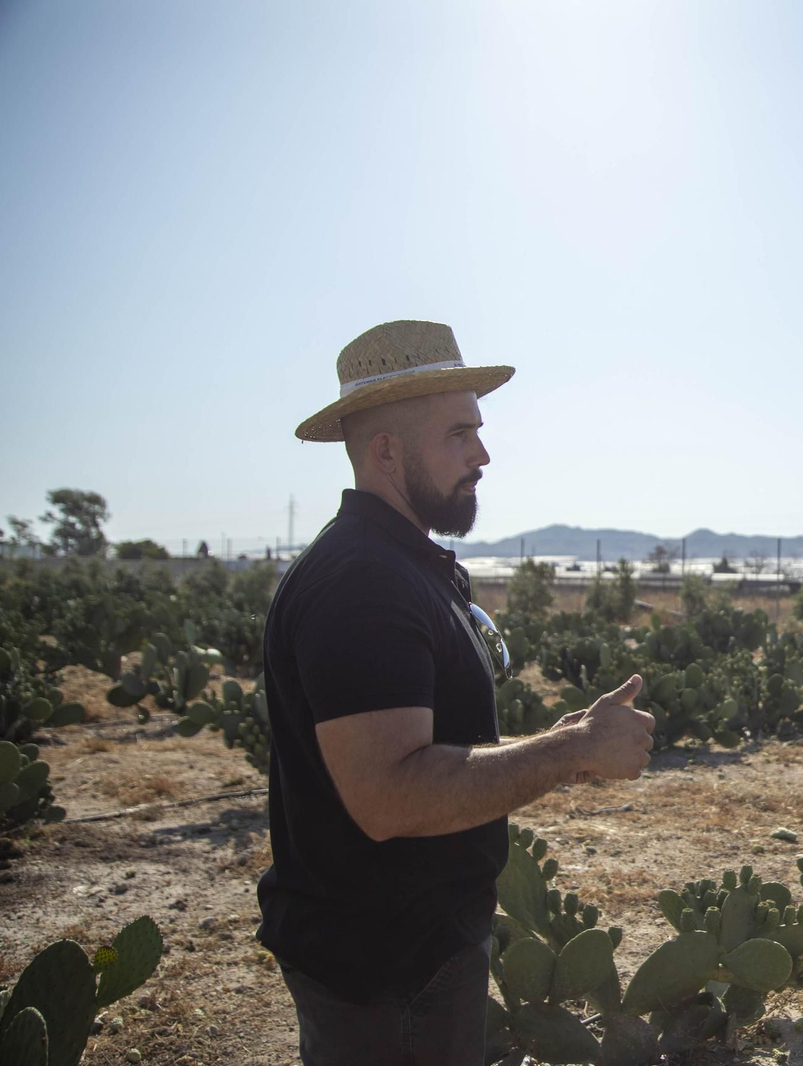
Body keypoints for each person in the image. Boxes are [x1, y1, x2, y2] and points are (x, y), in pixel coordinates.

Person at [259, 320, 656, 1066]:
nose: (482, 454)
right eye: (459, 434)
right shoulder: (365, 584)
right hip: (386, 964)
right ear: (387, 450)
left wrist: (561, 743)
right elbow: (391, 795)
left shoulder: (405, 566)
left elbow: (424, 749)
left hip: (405, 947)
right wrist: (572, 749)